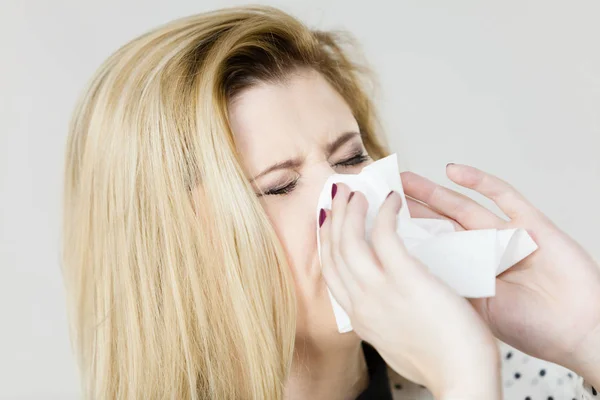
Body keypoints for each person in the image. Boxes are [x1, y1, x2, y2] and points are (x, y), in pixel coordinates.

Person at [61, 5, 600, 399]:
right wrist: (462, 381)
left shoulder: (505, 370)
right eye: (278, 185)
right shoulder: (468, 369)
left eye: (349, 159)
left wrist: (588, 338)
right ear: (170, 248)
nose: (347, 200)